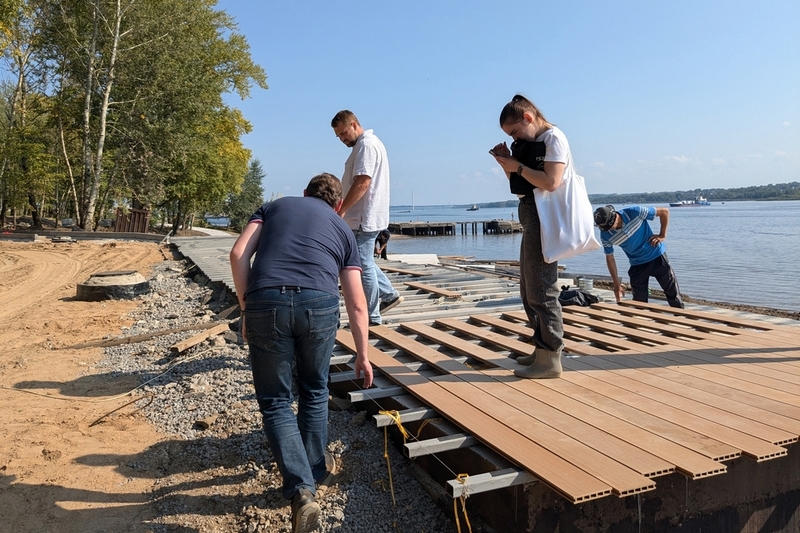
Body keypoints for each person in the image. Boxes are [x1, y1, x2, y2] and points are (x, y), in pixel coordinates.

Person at [229, 173, 373, 533]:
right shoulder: (341, 228)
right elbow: (357, 303)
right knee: (314, 389)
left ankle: (301, 489)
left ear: (305, 193)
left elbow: (237, 254)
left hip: (265, 298)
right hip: (319, 303)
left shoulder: (274, 207)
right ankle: (314, 472)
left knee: (276, 400)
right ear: (338, 205)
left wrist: (247, 311)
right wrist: (362, 354)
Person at [490, 94, 570, 379]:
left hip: (544, 215)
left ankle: (550, 358)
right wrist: (507, 162)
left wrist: (518, 166)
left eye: (514, 131)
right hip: (530, 210)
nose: (515, 137)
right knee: (528, 286)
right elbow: (522, 184)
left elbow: (551, 182)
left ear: (528, 117)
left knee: (542, 287)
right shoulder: (533, 143)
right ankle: (541, 349)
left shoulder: (553, 138)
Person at [331, 110, 403, 325]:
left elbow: (363, 181)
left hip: (362, 217)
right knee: (365, 262)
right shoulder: (368, 144)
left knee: (362, 266)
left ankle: (372, 317)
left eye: (343, 133)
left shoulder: (366, 145)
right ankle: (389, 295)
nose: (342, 139)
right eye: (338, 136)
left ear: (354, 124)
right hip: (364, 216)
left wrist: (341, 210)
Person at [594, 204, 684, 308]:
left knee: (674, 295)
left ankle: (683, 319)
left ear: (614, 217)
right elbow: (610, 258)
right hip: (637, 265)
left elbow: (664, 212)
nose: (607, 230)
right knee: (639, 303)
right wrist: (616, 284)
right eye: (603, 228)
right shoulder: (605, 235)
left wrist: (662, 235)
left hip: (657, 257)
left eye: (608, 227)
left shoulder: (635, 212)